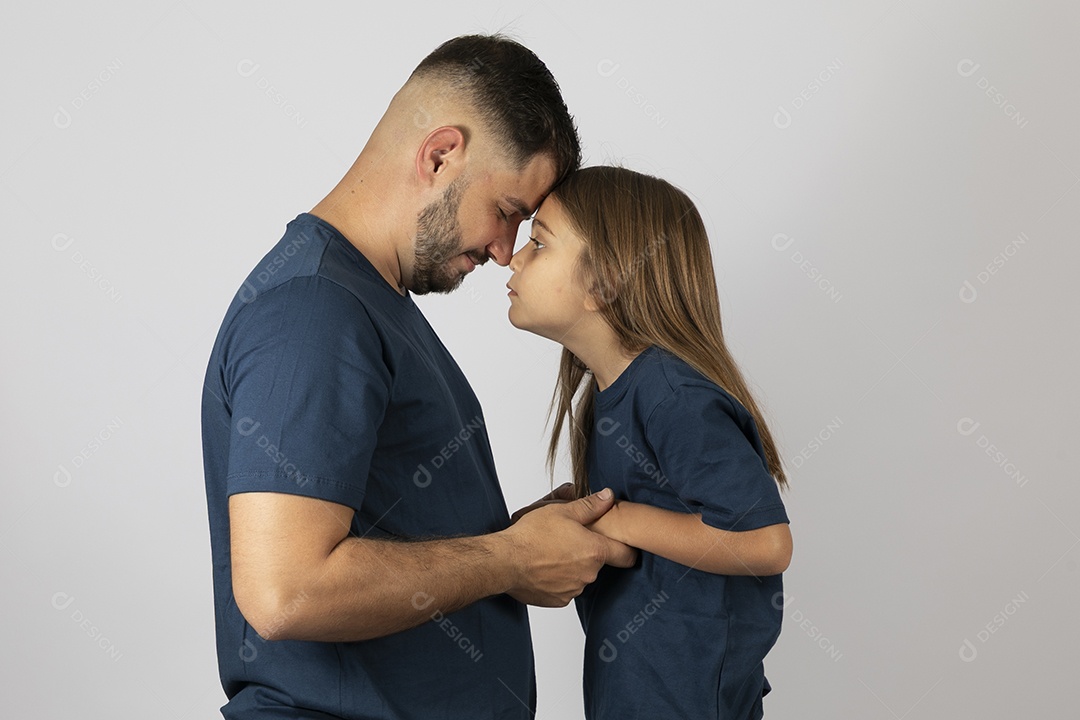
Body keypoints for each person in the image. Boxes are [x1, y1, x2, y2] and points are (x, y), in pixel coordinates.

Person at [200, 35, 636, 720]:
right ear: (439, 155)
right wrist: (509, 560)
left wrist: (513, 538)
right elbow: (285, 591)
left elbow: (379, 535)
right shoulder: (314, 310)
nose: (503, 252)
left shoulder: (368, 303)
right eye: (508, 213)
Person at [506, 166, 793, 719]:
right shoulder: (612, 393)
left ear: (606, 280)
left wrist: (616, 521)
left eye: (539, 243)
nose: (514, 257)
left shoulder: (670, 392)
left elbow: (766, 542)